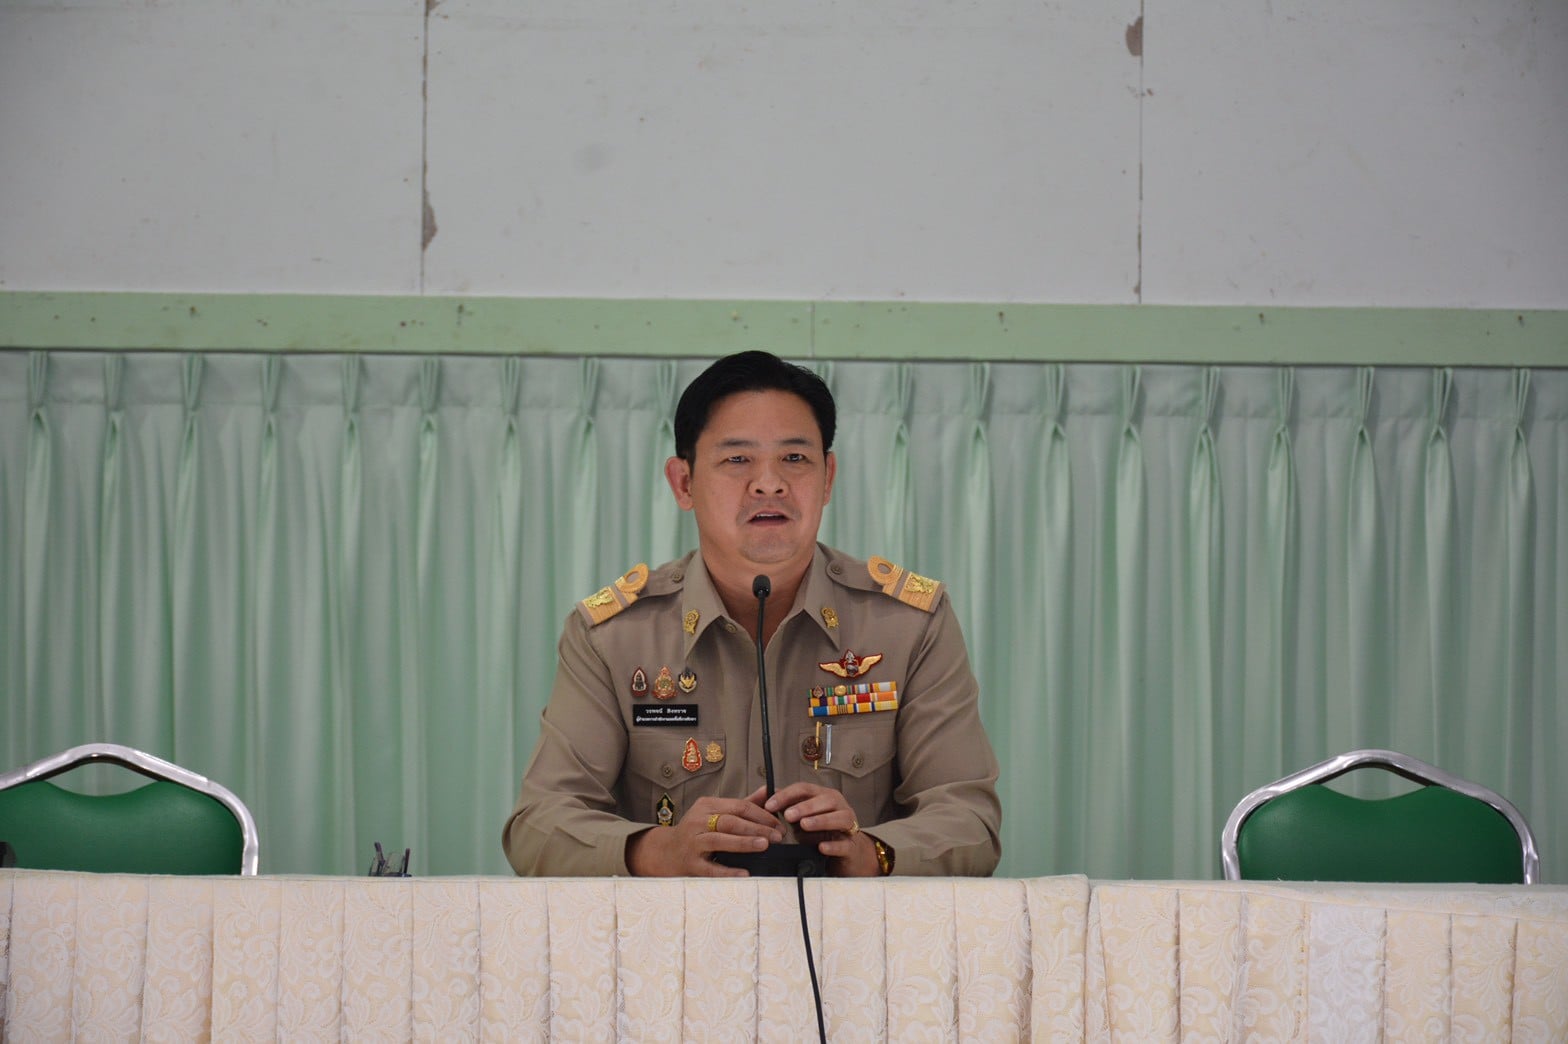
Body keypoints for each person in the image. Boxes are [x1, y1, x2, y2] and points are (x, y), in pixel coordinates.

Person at [503, 351, 1001, 877]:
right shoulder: (614, 636)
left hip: (848, 931)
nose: (769, 484)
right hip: (677, 931)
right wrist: (659, 851)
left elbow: (969, 821)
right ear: (683, 483)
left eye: (795, 458)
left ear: (828, 478)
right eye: (738, 459)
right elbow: (538, 825)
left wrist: (869, 853)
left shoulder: (908, 625)